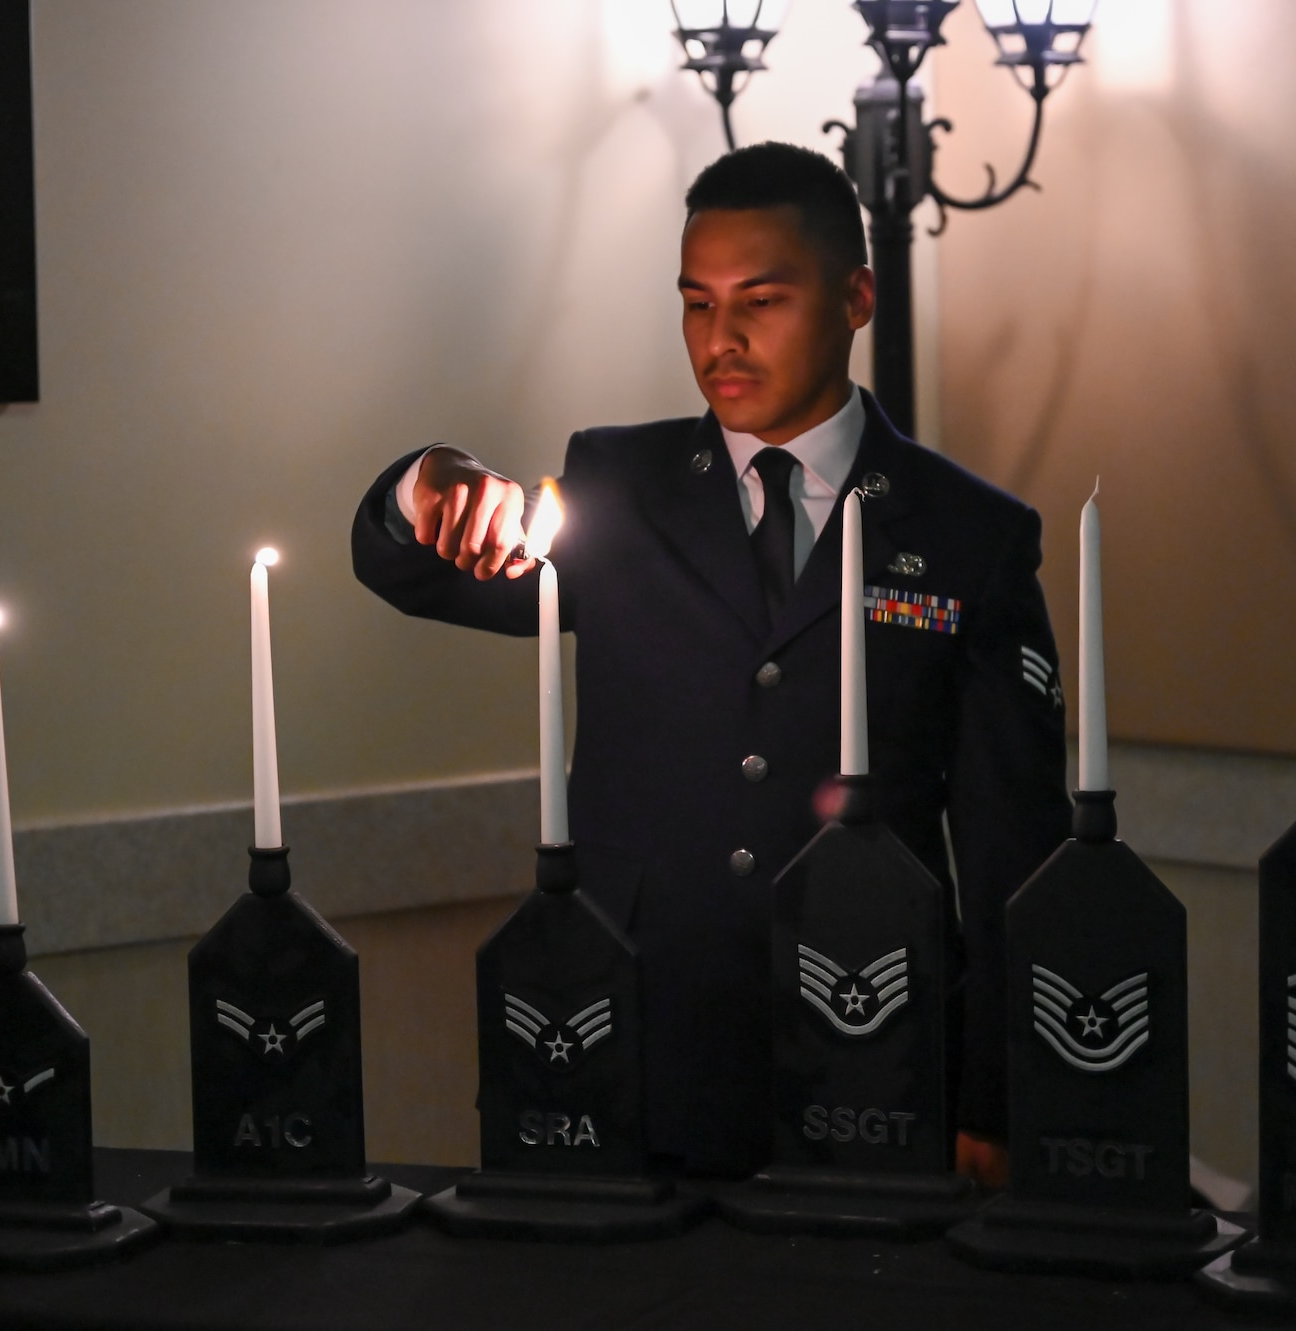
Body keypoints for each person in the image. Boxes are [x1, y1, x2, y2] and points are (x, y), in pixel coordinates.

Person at [352, 142, 1068, 1179]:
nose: (719, 339)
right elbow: (409, 572)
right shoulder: (619, 488)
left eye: (761, 300)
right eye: (695, 303)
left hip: (872, 1053)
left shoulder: (968, 534)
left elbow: (1013, 848)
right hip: (627, 1051)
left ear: (856, 296)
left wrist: (993, 1102)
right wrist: (425, 485)